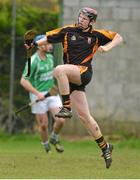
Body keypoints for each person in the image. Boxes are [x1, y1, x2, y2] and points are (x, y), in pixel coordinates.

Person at [25, 7, 123, 168]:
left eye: (85, 18)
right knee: (85, 117)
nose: (81, 20)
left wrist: (107, 47)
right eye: (80, 17)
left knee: (59, 69)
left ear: (92, 21)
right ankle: (105, 147)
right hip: (71, 78)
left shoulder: (97, 35)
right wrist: (33, 44)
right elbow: (48, 38)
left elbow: (118, 37)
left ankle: (67, 107)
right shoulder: (68, 31)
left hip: (83, 73)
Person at [21, 35, 65, 153]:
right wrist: (37, 93)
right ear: (39, 46)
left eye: (50, 43)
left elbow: (52, 74)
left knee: (61, 119)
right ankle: (46, 146)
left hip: (52, 93)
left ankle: (54, 137)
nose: (50, 45)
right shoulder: (33, 61)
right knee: (44, 125)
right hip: (38, 95)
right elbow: (23, 81)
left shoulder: (50, 58)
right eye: (47, 43)